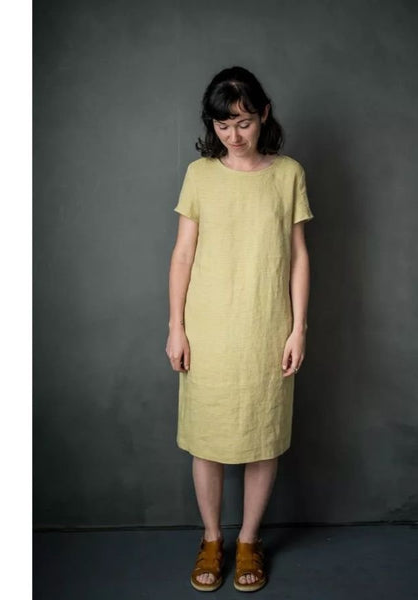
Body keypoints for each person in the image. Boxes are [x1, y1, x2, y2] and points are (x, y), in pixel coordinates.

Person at [166, 66, 314, 592]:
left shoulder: (288, 174)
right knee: (206, 440)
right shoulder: (200, 175)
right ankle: (211, 539)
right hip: (208, 329)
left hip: (266, 326)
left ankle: (249, 540)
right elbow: (183, 255)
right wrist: (176, 326)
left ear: (264, 115)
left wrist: (298, 328)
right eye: (223, 124)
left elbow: (298, 257)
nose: (233, 134)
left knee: (263, 437)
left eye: (244, 122)